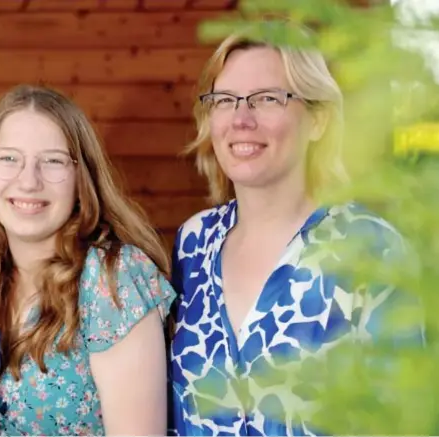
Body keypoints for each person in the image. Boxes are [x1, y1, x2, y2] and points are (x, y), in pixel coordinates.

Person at [167, 30, 425, 436]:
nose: (241, 119)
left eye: (268, 98)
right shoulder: (192, 244)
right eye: (225, 100)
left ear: (319, 120)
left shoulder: (372, 250)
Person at [0, 84, 176, 436]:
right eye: (9, 158)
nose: (29, 181)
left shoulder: (111, 279)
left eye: (53, 161)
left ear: (82, 179)